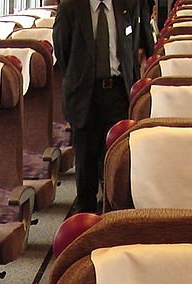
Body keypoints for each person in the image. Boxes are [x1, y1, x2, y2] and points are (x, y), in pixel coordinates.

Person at [54, 0, 155, 213]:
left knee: (117, 159)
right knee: (86, 161)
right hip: (85, 95)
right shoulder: (70, 8)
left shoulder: (128, 5)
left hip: (118, 92)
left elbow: (132, 49)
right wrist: (80, 78)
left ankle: (113, 214)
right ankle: (86, 213)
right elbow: (63, 53)